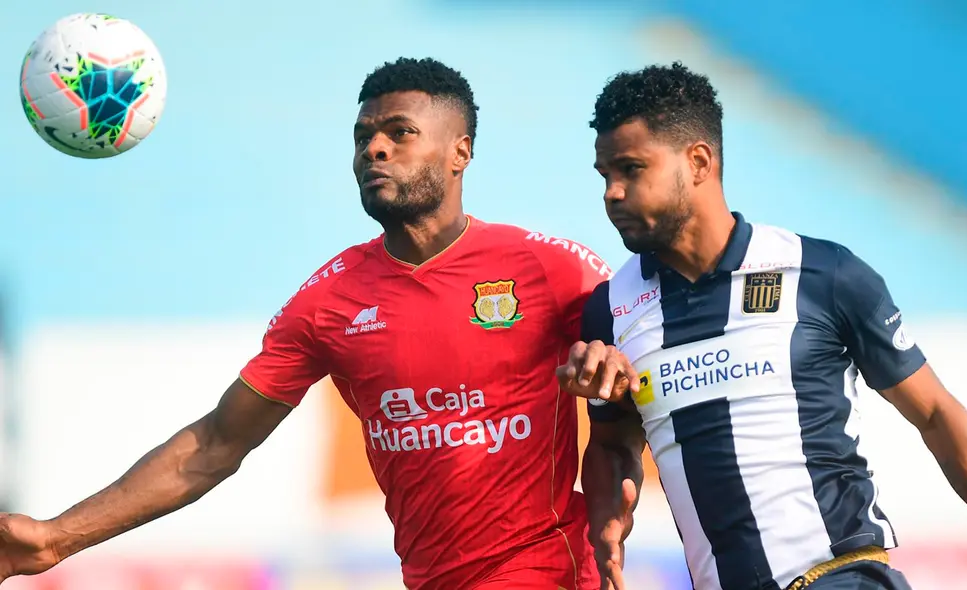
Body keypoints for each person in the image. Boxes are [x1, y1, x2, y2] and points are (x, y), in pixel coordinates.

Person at [0, 57, 638, 590]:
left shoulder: (550, 268)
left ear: (459, 152)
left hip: (553, 570)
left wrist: (621, 379)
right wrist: (56, 539)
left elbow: (645, 375)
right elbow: (217, 444)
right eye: (362, 137)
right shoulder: (329, 302)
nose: (374, 148)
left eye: (399, 132)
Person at [578, 62, 967, 590]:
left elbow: (936, 413)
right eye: (605, 176)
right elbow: (615, 443)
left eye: (631, 169)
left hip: (838, 578)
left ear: (699, 161)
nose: (611, 193)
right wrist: (608, 513)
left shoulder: (822, 274)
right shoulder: (610, 310)